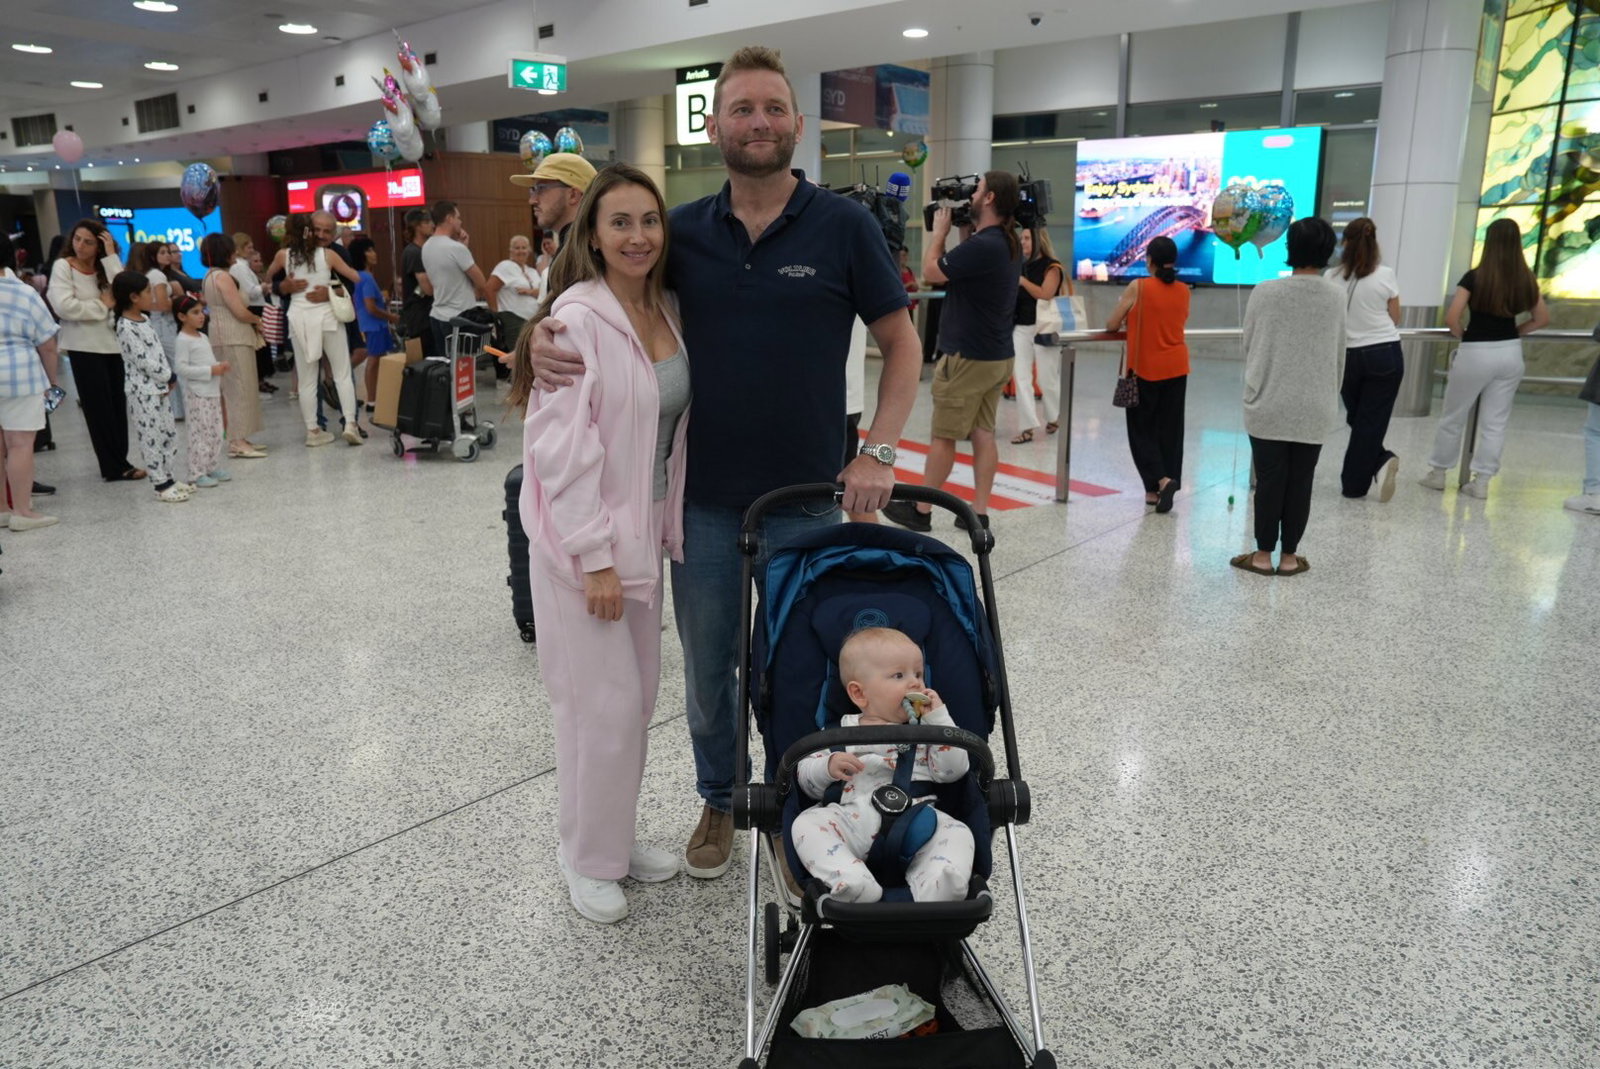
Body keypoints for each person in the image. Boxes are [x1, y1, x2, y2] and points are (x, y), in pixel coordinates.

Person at [521, 46, 923, 881]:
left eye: (773, 108)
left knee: (800, 666)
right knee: (709, 674)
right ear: (715, 127)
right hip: (702, 506)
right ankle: (721, 796)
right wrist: (537, 333)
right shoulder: (684, 232)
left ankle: (797, 802)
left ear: (798, 123)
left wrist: (879, 451)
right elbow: (607, 291)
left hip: (809, 499)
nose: (758, 122)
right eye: (742, 109)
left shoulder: (844, 227)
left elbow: (902, 342)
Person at [512, 164, 688, 924]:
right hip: (584, 548)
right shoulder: (576, 320)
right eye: (620, 222)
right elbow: (560, 451)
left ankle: (610, 839)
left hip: (644, 532)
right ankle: (584, 856)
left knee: (634, 701)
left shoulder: (667, 307)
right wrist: (595, 557)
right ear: (592, 233)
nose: (637, 236)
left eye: (649, 220)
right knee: (596, 708)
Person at [883, 171, 1023, 533]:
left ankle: (921, 510)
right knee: (982, 432)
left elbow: (933, 272)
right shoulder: (1005, 241)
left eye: (977, 191)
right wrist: (963, 231)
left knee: (944, 435)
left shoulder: (986, 244)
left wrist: (939, 235)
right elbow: (967, 266)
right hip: (996, 354)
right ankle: (979, 511)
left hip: (967, 357)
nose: (971, 196)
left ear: (990, 198)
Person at [791, 627, 973, 904]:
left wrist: (939, 719)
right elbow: (806, 782)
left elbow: (953, 771)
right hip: (851, 820)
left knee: (957, 832)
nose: (915, 684)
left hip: (916, 819)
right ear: (859, 693)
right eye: (899, 675)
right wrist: (827, 766)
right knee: (806, 824)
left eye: (918, 674)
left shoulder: (928, 732)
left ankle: (938, 884)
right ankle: (852, 880)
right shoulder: (839, 733)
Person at [1232, 218, 1344, 577]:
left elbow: (1249, 344)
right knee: (1301, 482)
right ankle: (1291, 558)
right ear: (1328, 251)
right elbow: (1339, 353)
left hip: (1268, 399)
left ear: (1289, 247)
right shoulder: (1336, 296)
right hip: (1315, 403)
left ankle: (1263, 556)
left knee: (1268, 480)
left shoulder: (1264, 292)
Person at [1420, 218, 1549, 499]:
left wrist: (1463, 335)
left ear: (1489, 243)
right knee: (1495, 422)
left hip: (1476, 351)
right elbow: (1541, 318)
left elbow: (1452, 317)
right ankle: (1482, 482)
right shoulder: (1525, 279)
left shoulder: (1475, 277)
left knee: (1453, 415)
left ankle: (1438, 473)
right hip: (1510, 352)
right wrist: (1516, 331)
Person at [48, 219, 145, 483]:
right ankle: (112, 466)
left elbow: (124, 291)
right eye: (77, 239)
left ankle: (121, 461)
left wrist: (111, 256)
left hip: (113, 345)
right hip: (83, 347)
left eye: (88, 242)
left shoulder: (104, 266)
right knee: (98, 409)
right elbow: (63, 307)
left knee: (117, 405)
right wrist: (101, 305)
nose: (80, 245)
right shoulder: (63, 266)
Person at [1105, 235, 1191, 512]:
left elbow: (1111, 324)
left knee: (1141, 431)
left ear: (1149, 260)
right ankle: (1154, 491)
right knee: (1170, 431)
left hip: (1145, 369)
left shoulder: (1139, 287)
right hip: (1177, 367)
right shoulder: (1184, 290)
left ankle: (1162, 480)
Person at [266, 213, 364, 447]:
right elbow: (355, 277)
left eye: (326, 231)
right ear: (309, 230)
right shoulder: (328, 255)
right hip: (328, 319)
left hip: (299, 320)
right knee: (342, 373)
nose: (321, 235)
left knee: (307, 379)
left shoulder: (283, 255)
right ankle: (350, 424)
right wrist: (285, 286)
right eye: (317, 229)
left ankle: (313, 430)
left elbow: (267, 279)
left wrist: (288, 284)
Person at [1323, 218, 1404, 502]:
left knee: (1358, 418)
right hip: (1384, 353)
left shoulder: (1331, 277)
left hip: (1347, 357)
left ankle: (1360, 480)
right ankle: (1373, 467)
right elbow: (1395, 317)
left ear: (1345, 243)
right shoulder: (1386, 275)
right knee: (1369, 420)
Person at [112, 271, 191, 502]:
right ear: (134, 297)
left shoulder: (145, 320)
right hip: (142, 391)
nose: (152, 296)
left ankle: (169, 477)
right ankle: (160, 484)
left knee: (168, 433)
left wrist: (167, 378)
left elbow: (157, 352)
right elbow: (142, 360)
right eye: (148, 292)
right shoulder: (125, 327)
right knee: (151, 436)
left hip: (159, 388)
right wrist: (168, 375)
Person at [0, 251, 62, 530]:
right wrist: (52, 382)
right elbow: (47, 344)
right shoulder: (24, 293)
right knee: (20, 444)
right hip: (20, 375)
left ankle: (2, 509)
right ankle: (22, 512)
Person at [199, 234, 268, 459]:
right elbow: (238, 310)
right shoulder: (223, 277)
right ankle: (237, 440)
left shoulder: (209, 276)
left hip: (222, 335)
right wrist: (257, 320)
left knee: (235, 387)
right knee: (239, 388)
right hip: (233, 335)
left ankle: (240, 436)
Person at [1009, 226, 1065, 445]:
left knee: (1046, 377)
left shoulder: (1052, 267)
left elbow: (1045, 294)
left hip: (1045, 327)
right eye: (1021, 238)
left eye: (1026, 238)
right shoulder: (1019, 265)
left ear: (1039, 241)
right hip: (1021, 327)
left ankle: (1053, 416)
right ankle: (1027, 426)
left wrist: (1022, 282)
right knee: (1021, 377)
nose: (1022, 242)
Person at [170, 294, 230, 489]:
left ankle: (210, 466)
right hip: (197, 394)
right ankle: (196, 473)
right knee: (200, 434)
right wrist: (211, 370)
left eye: (202, 311)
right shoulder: (183, 340)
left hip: (212, 391)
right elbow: (181, 368)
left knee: (215, 431)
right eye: (195, 312)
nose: (201, 315)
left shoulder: (202, 336)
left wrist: (218, 366)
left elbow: (206, 361)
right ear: (182, 316)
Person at [420, 200, 488, 359]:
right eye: (458, 217)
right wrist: (476, 294)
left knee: (446, 367)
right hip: (459, 317)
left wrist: (463, 248)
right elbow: (481, 282)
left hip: (437, 315)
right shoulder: (455, 248)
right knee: (464, 369)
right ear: (449, 218)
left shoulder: (426, 246)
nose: (460, 221)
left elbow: (444, 275)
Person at [132, 240, 184, 422]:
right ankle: (184, 407)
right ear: (153, 257)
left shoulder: (151, 274)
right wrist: (177, 299)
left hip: (156, 323)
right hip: (164, 323)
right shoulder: (158, 275)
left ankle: (176, 410)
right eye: (163, 252)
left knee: (166, 367)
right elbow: (163, 304)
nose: (168, 255)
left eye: (168, 252)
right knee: (178, 364)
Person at [348, 236, 399, 410]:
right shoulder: (367, 278)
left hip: (370, 324)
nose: (374, 254)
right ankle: (372, 400)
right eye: (369, 250)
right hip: (375, 325)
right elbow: (370, 307)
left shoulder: (359, 277)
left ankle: (376, 396)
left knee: (378, 360)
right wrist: (391, 317)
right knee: (374, 360)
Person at [510, 152, 597, 248]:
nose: (532, 200)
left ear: (573, 195)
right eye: (533, 190)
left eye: (541, 188)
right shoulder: (578, 248)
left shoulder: (587, 252)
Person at [230, 234, 275, 395]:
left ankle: (261, 378)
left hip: (256, 307)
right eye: (248, 247)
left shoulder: (243, 266)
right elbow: (250, 292)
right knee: (258, 347)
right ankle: (258, 380)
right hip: (253, 308)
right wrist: (263, 286)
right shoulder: (239, 267)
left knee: (261, 346)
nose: (251, 250)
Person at [487, 234, 542, 357]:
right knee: (520, 357)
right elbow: (490, 289)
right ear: (510, 250)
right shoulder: (505, 266)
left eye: (524, 247)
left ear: (529, 250)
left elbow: (543, 292)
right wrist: (495, 317)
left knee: (532, 357)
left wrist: (530, 292)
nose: (521, 251)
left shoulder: (532, 271)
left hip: (533, 322)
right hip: (514, 320)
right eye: (517, 248)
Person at [397, 208, 434, 348]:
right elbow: (428, 289)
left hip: (424, 315)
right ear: (417, 226)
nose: (432, 225)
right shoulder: (414, 253)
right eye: (427, 222)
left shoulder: (422, 251)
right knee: (427, 358)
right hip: (420, 318)